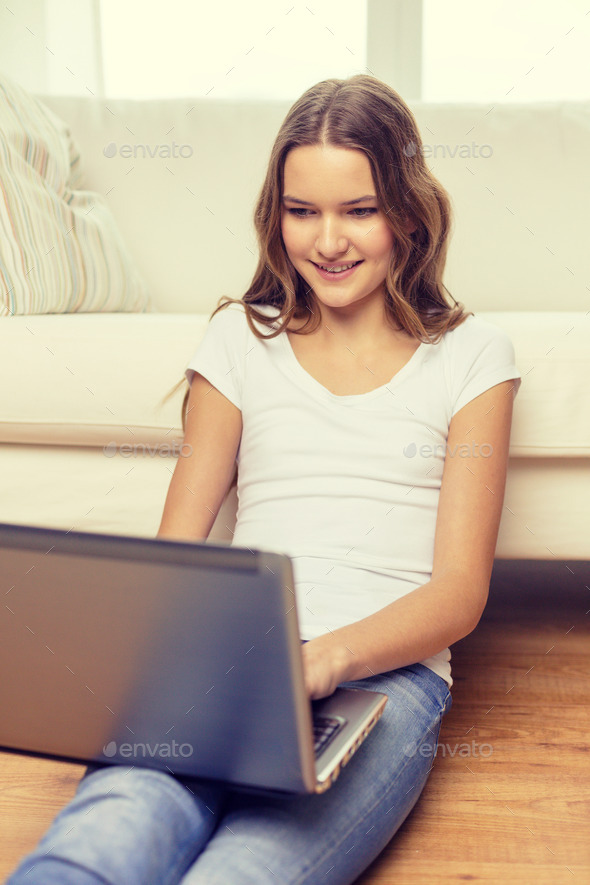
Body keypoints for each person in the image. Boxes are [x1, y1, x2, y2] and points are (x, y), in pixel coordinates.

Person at [7, 74, 521, 885]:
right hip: (221, 664)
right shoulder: (239, 340)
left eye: (360, 209)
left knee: (243, 873)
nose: (328, 240)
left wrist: (324, 658)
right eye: (301, 209)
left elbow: (459, 592)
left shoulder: (474, 356)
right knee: (98, 845)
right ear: (274, 214)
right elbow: (176, 555)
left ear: (410, 213)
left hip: (382, 683)